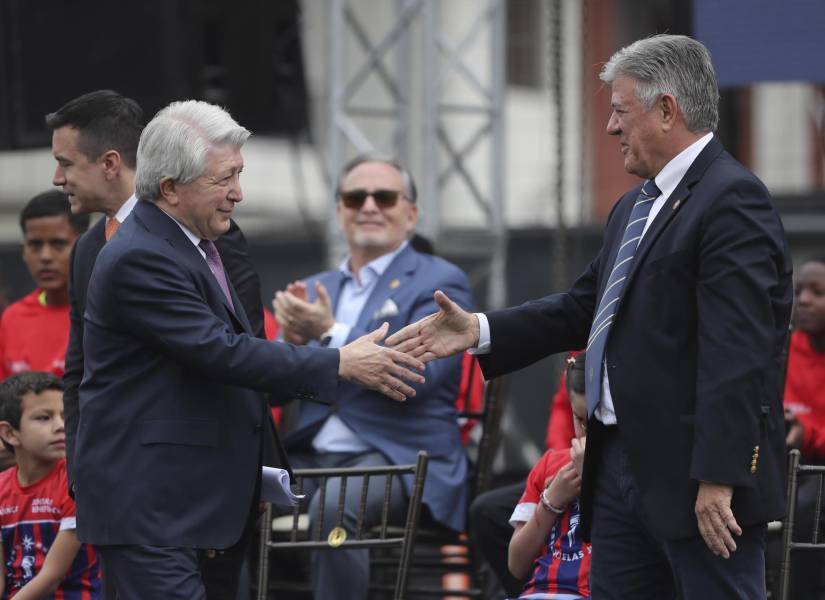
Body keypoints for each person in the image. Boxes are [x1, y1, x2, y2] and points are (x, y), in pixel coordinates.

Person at [389, 34, 792, 599]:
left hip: (695, 477)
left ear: (667, 109)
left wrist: (719, 476)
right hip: (617, 469)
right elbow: (584, 307)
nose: (609, 127)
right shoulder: (634, 205)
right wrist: (479, 330)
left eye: (620, 110)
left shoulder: (732, 198)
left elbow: (739, 351)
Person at [74, 101, 423, 598]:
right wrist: (340, 361)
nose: (239, 193)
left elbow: (227, 359)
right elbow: (222, 352)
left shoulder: (191, 244)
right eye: (224, 179)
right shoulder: (141, 256)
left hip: (191, 503)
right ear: (170, 188)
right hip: (152, 507)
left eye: (239, 174)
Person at [47, 90, 276, 597]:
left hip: (211, 486)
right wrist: (84, 475)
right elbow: (81, 371)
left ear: (111, 163)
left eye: (66, 162)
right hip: (138, 498)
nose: (57, 178)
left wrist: (250, 468)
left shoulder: (213, 232)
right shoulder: (92, 249)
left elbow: (241, 347)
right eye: (226, 178)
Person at [272, 154, 473, 600]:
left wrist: (329, 332)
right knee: (224, 486)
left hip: (400, 459)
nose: (368, 206)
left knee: (335, 506)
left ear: (411, 213)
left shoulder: (440, 280)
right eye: (354, 197)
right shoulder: (316, 286)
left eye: (383, 197)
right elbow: (277, 389)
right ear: (339, 211)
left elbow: (421, 375)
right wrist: (290, 346)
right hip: (311, 456)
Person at [0, 372, 101, 599]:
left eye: (65, 416)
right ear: (9, 433)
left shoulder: (76, 482)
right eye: (44, 418)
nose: (60, 426)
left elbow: (51, 577)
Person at [508, 353, 590, 599]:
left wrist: (594, 481)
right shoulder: (550, 465)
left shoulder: (630, 471)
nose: (586, 432)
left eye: (596, 420)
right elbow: (516, 565)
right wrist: (551, 500)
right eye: (579, 419)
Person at [0, 191, 89, 382]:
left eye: (58, 244)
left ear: (85, 245)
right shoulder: (12, 319)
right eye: (35, 245)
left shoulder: (102, 313)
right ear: (23, 251)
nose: (45, 256)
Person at [778, 256, 825, 597]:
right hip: (784, 459)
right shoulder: (782, 347)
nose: (804, 300)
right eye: (799, 291)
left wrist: (807, 434)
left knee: (806, 505)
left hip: (816, 468)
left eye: (818, 292)